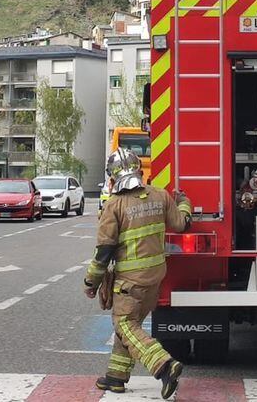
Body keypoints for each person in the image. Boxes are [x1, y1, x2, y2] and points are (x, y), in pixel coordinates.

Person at [84, 148, 193, 399]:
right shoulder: (160, 195)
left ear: (112, 178)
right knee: (129, 325)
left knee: (124, 324)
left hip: (130, 281)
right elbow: (182, 224)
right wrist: (184, 202)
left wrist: (91, 281)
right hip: (155, 278)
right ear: (138, 170)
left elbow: (104, 251)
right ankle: (116, 377)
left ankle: (164, 366)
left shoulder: (114, 206)